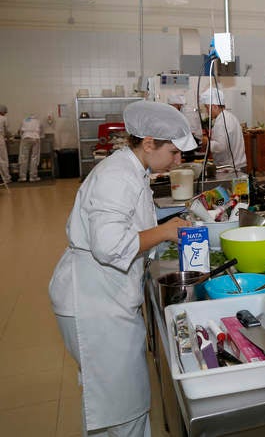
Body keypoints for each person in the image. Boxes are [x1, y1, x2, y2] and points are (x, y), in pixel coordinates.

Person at [48, 101, 197, 437]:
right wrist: (165, 231)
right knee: (121, 406)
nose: (178, 161)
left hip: (103, 293)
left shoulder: (132, 170)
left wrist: (162, 223)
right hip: (93, 299)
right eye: (174, 152)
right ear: (148, 143)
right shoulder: (117, 176)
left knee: (114, 401)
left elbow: (128, 223)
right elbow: (110, 245)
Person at [199, 87, 247, 172]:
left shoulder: (222, 121)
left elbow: (221, 147)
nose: (207, 111)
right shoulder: (229, 116)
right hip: (235, 166)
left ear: (214, 107)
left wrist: (206, 142)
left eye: (207, 108)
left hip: (230, 169)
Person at [18, 113, 43, 181]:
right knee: (34, 157)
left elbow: (20, 131)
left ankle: (23, 177)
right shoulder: (38, 121)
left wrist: (22, 136)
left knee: (24, 157)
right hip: (36, 138)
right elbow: (41, 133)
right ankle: (33, 177)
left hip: (26, 138)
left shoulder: (24, 120)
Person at [0, 105, 10, 184]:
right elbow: (7, 131)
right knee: (3, 159)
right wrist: (9, 138)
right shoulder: (3, 118)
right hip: (0, 139)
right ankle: (6, 178)